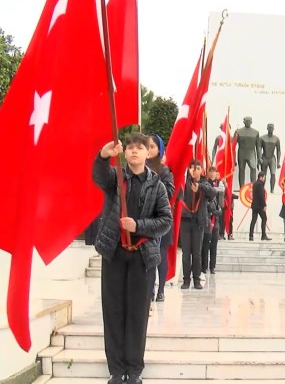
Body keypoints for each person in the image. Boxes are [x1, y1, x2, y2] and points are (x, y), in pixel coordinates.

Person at [92, 134, 172, 384]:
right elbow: (98, 176)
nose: (135, 151)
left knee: (137, 314)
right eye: (130, 148)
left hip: (142, 257)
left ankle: (134, 370)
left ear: (149, 153)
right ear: (124, 153)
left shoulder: (157, 185)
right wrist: (103, 156)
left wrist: (138, 225)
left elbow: (165, 221)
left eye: (141, 147)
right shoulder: (116, 178)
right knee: (113, 311)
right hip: (114, 254)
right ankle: (116, 370)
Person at [179, 160, 216, 290]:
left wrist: (199, 187)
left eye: (198, 168)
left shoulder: (205, 183)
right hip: (185, 220)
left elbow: (212, 192)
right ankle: (186, 279)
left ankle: (196, 280)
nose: (195, 170)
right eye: (193, 168)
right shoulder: (184, 182)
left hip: (198, 222)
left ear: (201, 170)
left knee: (197, 253)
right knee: (185, 253)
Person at [146, 134, 174, 304]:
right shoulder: (137, 168)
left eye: (152, 146)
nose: (148, 150)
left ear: (159, 149)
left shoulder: (164, 171)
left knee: (160, 256)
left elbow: (170, 192)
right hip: (143, 221)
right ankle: (148, 290)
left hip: (160, 221)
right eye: (146, 146)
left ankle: (161, 289)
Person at [202, 167, 225, 275]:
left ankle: (212, 267)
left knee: (214, 245)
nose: (212, 174)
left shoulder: (219, 185)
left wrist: (219, 210)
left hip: (216, 219)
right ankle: (204, 266)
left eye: (214, 172)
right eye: (210, 172)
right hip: (207, 218)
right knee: (205, 244)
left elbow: (221, 201)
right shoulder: (206, 184)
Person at [250, 171, 271, 241]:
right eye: (264, 177)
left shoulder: (255, 184)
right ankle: (263, 235)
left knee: (253, 220)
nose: (264, 179)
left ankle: (251, 235)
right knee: (264, 218)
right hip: (259, 206)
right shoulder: (260, 184)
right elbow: (261, 196)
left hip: (254, 205)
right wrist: (264, 205)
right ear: (261, 177)